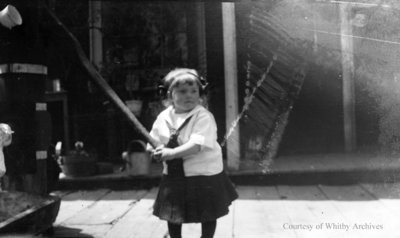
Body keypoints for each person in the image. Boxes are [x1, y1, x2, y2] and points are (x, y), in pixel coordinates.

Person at [148, 68, 238, 238]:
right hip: (174, 174)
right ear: (169, 95)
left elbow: (196, 145)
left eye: (193, 91)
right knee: (172, 212)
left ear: (200, 94)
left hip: (202, 173)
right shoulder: (163, 117)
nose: (188, 95)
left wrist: (172, 152)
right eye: (182, 91)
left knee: (208, 211)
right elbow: (154, 139)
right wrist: (153, 150)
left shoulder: (203, 117)